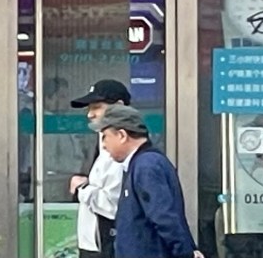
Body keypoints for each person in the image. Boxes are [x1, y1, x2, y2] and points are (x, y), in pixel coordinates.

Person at [92, 105, 203, 258]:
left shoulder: (147, 165)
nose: (104, 145)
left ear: (122, 135)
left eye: (105, 136)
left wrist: (185, 253)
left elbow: (164, 217)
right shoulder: (140, 164)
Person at [67, 79, 132, 258]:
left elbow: (112, 205)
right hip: (94, 244)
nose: (90, 114)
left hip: (105, 244)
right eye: (89, 109)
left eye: (97, 107)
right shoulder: (103, 143)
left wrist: (81, 188)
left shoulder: (121, 149)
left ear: (119, 106)